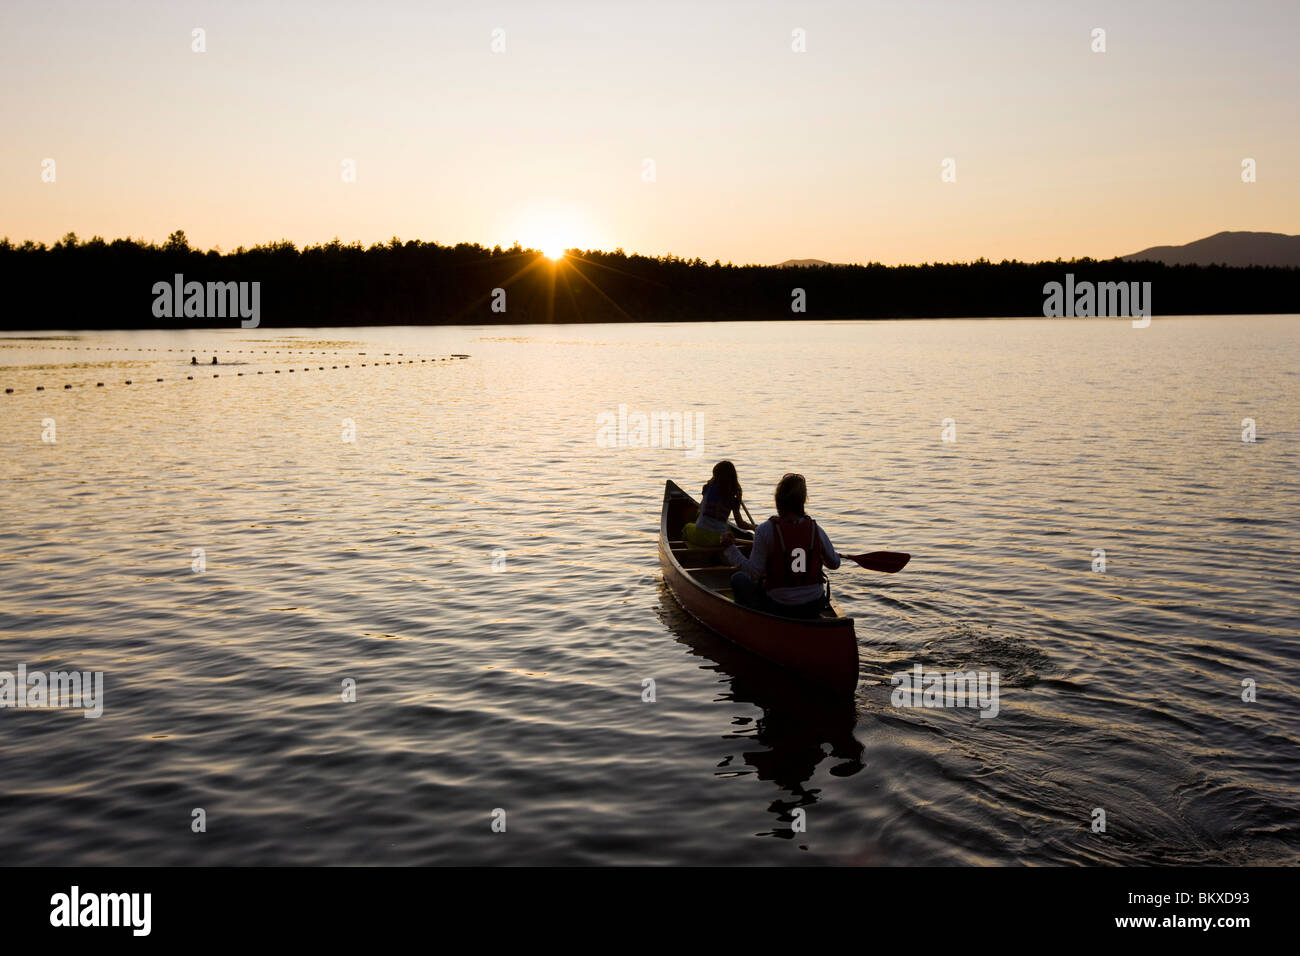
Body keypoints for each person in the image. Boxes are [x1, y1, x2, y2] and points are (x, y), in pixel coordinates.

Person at [721, 473, 841, 618]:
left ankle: (749, 622)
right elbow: (834, 563)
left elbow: (753, 572)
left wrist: (730, 549)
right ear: (802, 501)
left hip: (780, 607)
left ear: (778, 500)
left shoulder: (765, 530)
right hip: (814, 605)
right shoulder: (816, 530)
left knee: (738, 578)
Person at [682, 460, 754, 548]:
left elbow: (701, 509)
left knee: (686, 528)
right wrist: (754, 527)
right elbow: (740, 524)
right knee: (728, 529)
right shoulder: (733, 497)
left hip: (699, 536)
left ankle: (692, 553)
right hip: (720, 539)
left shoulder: (707, 488)